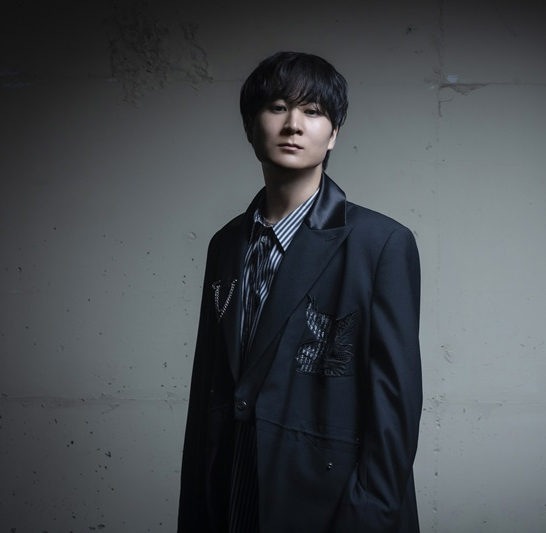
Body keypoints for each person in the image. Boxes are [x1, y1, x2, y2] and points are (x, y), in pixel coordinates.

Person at [177, 51, 423, 532]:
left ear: (333, 134)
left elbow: (395, 407)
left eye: (312, 111)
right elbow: (207, 389)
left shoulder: (381, 244)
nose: (293, 124)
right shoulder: (226, 244)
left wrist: (365, 516)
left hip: (332, 502)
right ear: (250, 126)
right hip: (232, 488)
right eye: (277, 108)